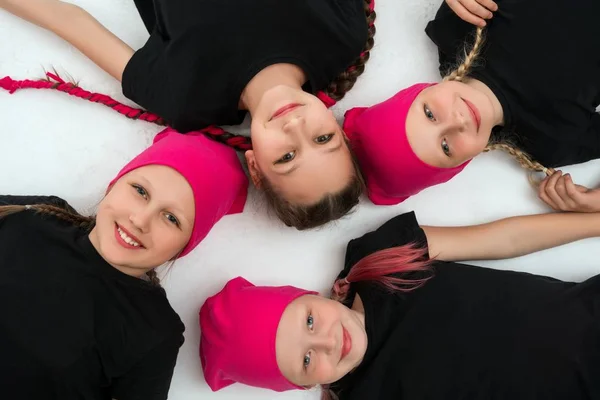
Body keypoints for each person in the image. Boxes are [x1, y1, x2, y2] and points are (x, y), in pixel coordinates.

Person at [0, 0, 377, 229]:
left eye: (287, 156)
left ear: (256, 168)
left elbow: (68, 20)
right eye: (323, 139)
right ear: (340, 130)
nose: (296, 128)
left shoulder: (184, 99)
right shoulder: (342, 36)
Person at [199, 210, 600, 398]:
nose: (326, 342)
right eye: (306, 361)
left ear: (308, 296)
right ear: (304, 385)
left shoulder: (381, 262)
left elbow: (503, 240)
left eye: (307, 321)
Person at [0, 128, 247, 399]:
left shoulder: (154, 331)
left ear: (184, 246)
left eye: (171, 218)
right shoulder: (39, 216)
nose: (140, 220)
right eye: (140, 191)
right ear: (116, 182)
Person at [341, 0, 600, 212]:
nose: (456, 120)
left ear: (419, 91)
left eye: (430, 114)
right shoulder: (551, 141)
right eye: (445, 146)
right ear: (458, 167)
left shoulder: (457, 24)